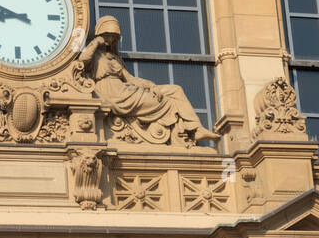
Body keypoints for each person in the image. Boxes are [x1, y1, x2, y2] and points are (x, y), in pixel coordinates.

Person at [80, 16, 218, 145]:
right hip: (112, 94)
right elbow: (82, 61)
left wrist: (152, 86)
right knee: (167, 102)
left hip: (126, 90)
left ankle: (196, 128)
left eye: (113, 37)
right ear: (101, 33)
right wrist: (96, 42)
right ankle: (188, 130)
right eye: (108, 35)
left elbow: (130, 79)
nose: (110, 39)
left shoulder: (115, 58)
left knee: (176, 89)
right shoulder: (94, 55)